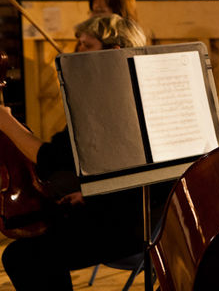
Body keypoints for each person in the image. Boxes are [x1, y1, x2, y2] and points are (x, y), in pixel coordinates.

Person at [0, 14, 168, 290]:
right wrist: (90, 193)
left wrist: (7, 123)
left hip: (129, 226)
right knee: (47, 225)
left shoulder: (100, 101)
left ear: (113, 53)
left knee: (23, 256)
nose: (75, 52)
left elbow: (52, 161)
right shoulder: (145, 90)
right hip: (154, 217)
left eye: (85, 46)